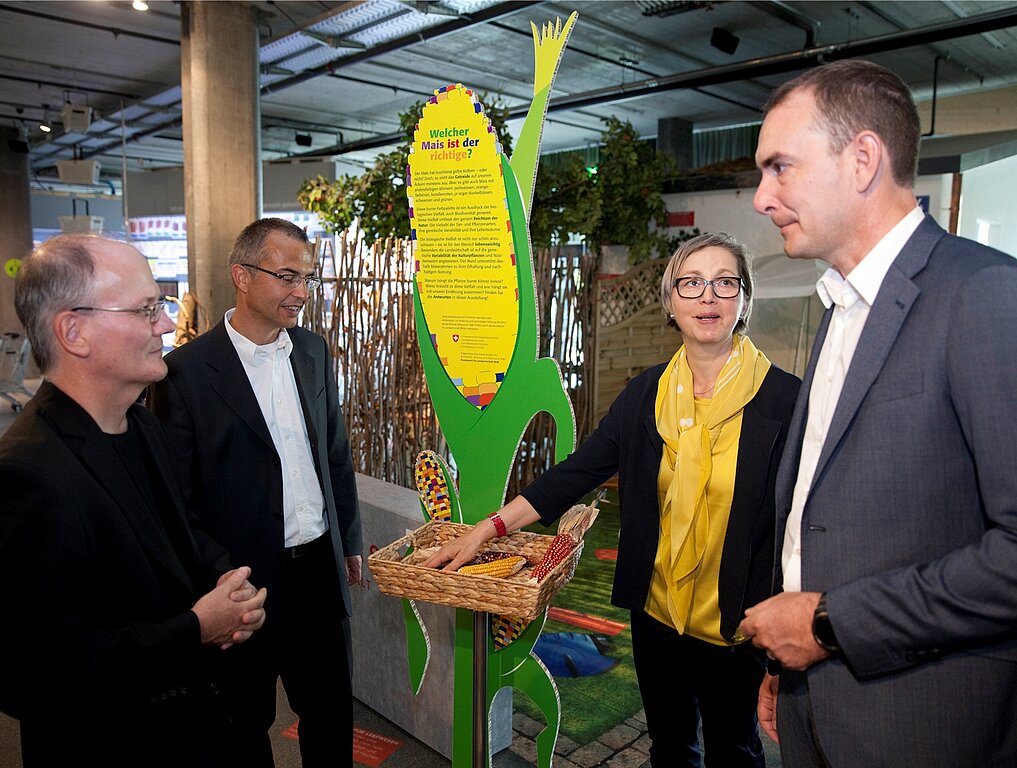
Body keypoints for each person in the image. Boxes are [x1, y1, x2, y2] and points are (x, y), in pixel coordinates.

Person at [425, 232, 800, 767]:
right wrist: (487, 529)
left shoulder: (786, 401)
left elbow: (800, 523)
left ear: (743, 300)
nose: (708, 297)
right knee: (671, 746)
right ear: (671, 302)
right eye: (692, 283)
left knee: (734, 751)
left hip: (739, 621)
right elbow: (576, 473)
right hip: (657, 613)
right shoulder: (645, 396)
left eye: (724, 283)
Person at [737, 59, 1017, 767]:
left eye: (778, 167)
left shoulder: (982, 295)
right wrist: (784, 666)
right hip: (816, 704)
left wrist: (828, 625)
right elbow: (824, 515)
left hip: (921, 726)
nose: (760, 197)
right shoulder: (840, 305)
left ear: (861, 159)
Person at [0, 234, 268, 767]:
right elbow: (35, 673)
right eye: (147, 309)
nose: (167, 324)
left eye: (161, 306)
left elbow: (175, 535)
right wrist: (196, 628)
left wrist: (224, 582)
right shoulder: (25, 472)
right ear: (73, 331)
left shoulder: (141, 424)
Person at [148, 217, 364, 767]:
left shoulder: (313, 352)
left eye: (309, 279)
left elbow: (334, 456)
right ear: (242, 276)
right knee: (244, 722)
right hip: (241, 576)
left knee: (332, 710)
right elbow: (177, 501)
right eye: (288, 276)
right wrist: (216, 572)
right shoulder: (183, 374)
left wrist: (349, 539)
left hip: (317, 565)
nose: (302, 292)